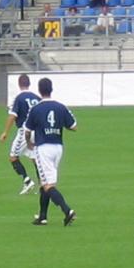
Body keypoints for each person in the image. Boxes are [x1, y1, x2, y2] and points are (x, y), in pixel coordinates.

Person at [24, 78, 78, 226]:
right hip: (58, 148)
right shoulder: (61, 107)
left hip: (43, 148)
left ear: (39, 91)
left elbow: (27, 130)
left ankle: (67, 211)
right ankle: (42, 217)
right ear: (51, 89)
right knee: (45, 182)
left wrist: (29, 143)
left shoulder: (35, 109)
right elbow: (73, 126)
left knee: (48, 185)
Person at [0, 74, 41, 194]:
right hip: (37, 130)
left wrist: (5, 132)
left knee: (13, 156)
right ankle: (42, 185)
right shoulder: (37, 97)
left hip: (25, 131)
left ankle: (27, 181)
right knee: (34, 158)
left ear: (19, 84)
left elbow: (13, 116)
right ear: (29, 84)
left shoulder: (19, 98)